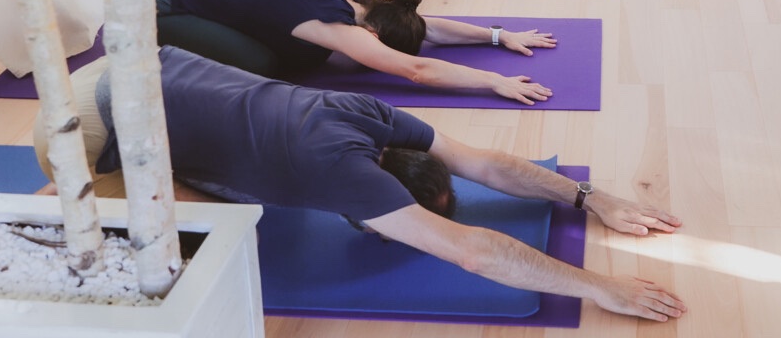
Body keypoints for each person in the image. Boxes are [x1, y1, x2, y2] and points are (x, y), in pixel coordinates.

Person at [36, 47, 687, 322]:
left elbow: (486, 163)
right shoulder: (345, 176)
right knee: (215, 236)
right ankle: (52, 204)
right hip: (83, 129)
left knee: (241, 198)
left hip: (140, 61)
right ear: (376, 199)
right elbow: (471, 250)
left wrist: (587, 196)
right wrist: (603, 289)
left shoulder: (367, 115)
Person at [154, 0, 556, 102]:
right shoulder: (335, 25)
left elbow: (425, 25)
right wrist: (492, 80)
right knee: (262, 66)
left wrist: (499, 36)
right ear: (374, 37)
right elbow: (416, 70)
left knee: (292, 51)